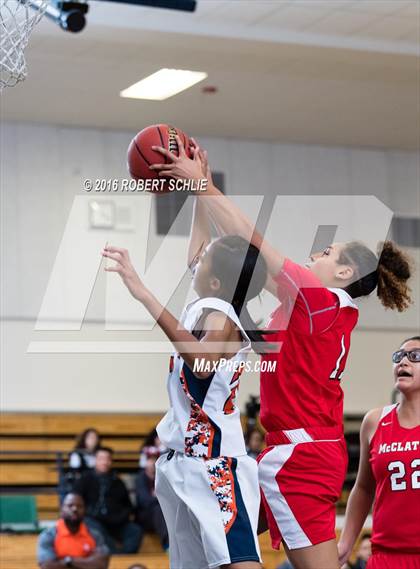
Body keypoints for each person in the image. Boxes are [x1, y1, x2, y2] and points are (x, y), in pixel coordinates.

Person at [148, 137, 413, 569]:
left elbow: (251, 241)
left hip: (300, 455)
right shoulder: (303, 306)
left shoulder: (321, 302)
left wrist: (204, 187)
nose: (313, 255)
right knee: (221, 549)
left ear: (344, 273)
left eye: (326, 253)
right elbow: (235, 263)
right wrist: (202, 191)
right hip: (281, 452)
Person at [102, 208, 269, 567]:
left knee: (238, 560)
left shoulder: (221, 315)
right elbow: (196, 251)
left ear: (215, 281)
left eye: (207, 257)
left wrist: (144, 294)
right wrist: (199, 189)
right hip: (184, 462)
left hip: (215, 463)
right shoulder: (209, 302)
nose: (199, 257)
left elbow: (202, 361)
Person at [338, 337, 420, 569]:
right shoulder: (375, 421)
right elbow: (363, 488)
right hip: (386, 555)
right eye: (399, 356)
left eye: (414, 356)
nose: (403, 361)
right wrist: (345, 544)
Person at [74, 447, 143, 555]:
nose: (104, 462)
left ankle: (125, 557)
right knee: (96, 530)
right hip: (93, 519)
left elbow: (128, 505)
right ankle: (115, 558)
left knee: (135, 530)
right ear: (95, 460)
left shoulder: (117, 481)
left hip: (116, 522)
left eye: (107, 459)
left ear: (110, 461)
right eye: (101, 458)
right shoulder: (85, 479)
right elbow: (76, 500)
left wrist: (121, 517)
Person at [37, 492, 109, 569]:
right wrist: (86, 561)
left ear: (85, 510)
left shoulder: (95, 536)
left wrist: (68, 561)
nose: (75, 509)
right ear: (62, 509)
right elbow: (47, 566)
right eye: (70, 505)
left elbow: (101, 565)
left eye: (79, 506)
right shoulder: (49, 535)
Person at [135, 449, 169, 551]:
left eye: (155, 459)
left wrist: (156, 496)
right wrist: (160, 497)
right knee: (158, 509)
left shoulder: (163, 476)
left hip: (164, 513)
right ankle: (167, 544)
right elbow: (144, 501)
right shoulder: (140, 478)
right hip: (146, 516)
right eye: (150, 460)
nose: (152, 463)